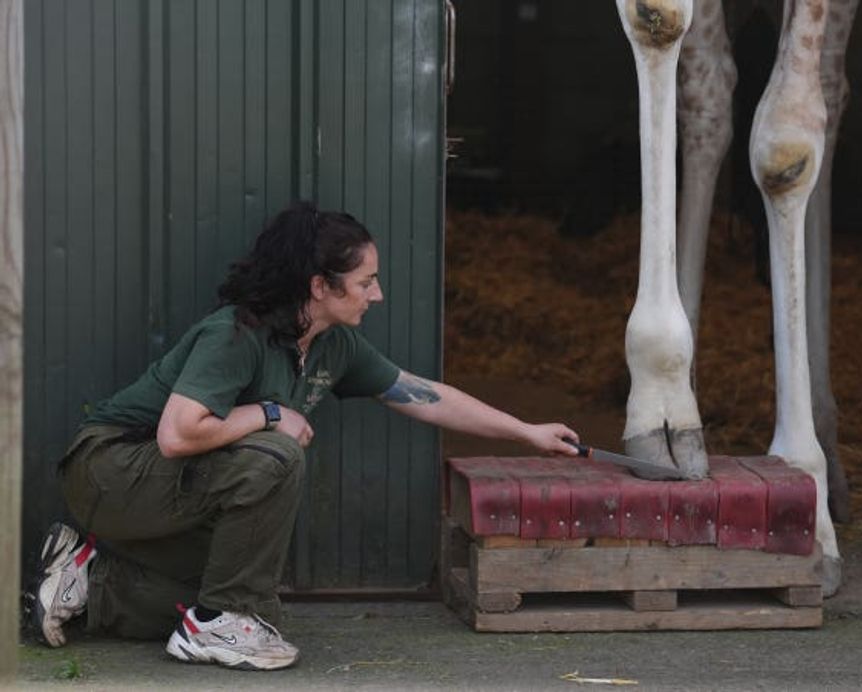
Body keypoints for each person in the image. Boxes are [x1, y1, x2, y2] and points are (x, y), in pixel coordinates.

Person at [31, 201, 580, 671]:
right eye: (366, 281)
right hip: (110, 469)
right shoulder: (236, 333)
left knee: (253, 594)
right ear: (320, 285)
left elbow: (422, 394)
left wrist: (526, 432)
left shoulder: (332, 344)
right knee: (275, 455)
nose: (378, 294)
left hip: (163, 490)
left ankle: (89, 582)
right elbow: (177, 436)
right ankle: (220, 624)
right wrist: (271, 413)